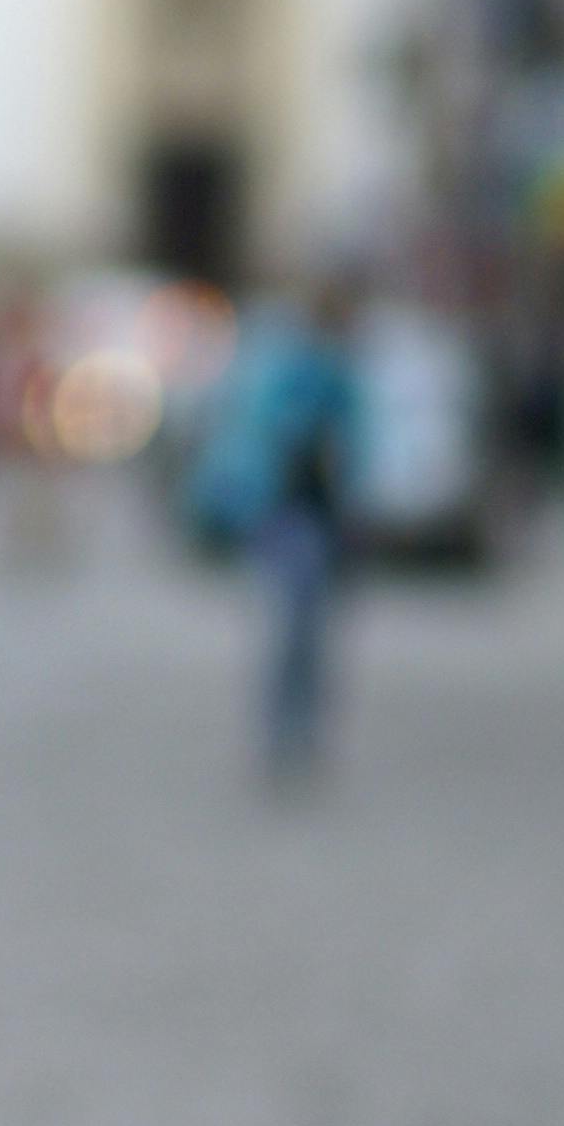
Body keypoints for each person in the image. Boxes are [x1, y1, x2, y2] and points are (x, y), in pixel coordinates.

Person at [247, 283, 365, 785]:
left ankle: (302, 727)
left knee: (311, 631)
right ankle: (286, 727)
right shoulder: (298, 373)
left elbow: (360, 447)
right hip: (295, 508)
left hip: (321, 513)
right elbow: (269, 432)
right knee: (298, 627)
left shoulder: (341, 377)